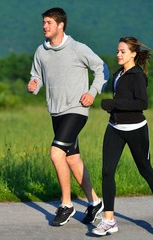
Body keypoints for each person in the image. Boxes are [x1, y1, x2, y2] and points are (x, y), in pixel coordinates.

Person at [27, 7, 109, 226]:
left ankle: (67, 204)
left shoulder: (77, 48)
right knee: (72, 158)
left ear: (60, 25)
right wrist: (34, 85)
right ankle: (94, 202)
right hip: (55, 111)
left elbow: (103, 68)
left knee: (56, 154)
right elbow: (37, 76)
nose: (44, 26)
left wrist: (92, 92)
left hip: (76, 110)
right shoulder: (41, 51)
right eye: (43, 22)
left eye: (48, 23)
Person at [92, 37, 153, 236]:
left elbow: (141, 103)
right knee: (107, 171)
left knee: (145, 170)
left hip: (136, 129)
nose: (118, 54)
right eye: (117, 51)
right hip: (115, 128)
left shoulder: (137, 75)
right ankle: (109, 220)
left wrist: (113, 104)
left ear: (133, 54)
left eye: (122, 51)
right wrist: (113, 108)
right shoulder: (118, 74)